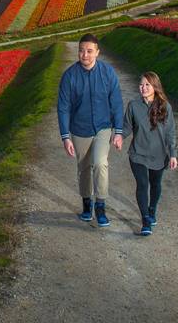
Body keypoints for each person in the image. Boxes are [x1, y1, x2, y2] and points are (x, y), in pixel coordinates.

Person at [57, 33, 124, 227]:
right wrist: (65, 137)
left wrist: (118, 131)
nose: (84, 55)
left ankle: (100, 207)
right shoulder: (69, 76)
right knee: (84, 167)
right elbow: (63, 107)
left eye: (89, 51)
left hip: (103, 128)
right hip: (79, 130)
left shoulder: (108, 73)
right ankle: (87, 204)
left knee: (100, 163)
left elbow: (117, 103)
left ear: (97, 52)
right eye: (81, 51)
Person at [114, 71, 178, 236]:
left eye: (147, 85)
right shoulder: (133, 106)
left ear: (155, 87)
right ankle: (145, 221)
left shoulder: (165, 107)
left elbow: (171, 133)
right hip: (138, 154)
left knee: (155, 185)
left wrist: (173, 154)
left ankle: (152, 209)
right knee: (142, 185)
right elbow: (127, 126)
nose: (143, 88)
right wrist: (120, 136)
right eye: (141, 84)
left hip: (159, 155)